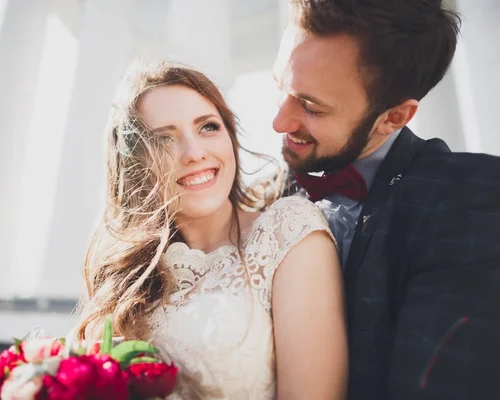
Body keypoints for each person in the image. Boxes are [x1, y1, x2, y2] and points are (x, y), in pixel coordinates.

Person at [73, 61, 347, 399]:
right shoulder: (124, 277)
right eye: (164, 139)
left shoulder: (288, 232)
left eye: (207, 127)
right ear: (135, 164)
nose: (194, 153)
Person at [273, 1, 500, 399]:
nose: (279, 121)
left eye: (311, 106)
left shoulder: (472, 197)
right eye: (281, 88)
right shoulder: (259, 197)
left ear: (394, 117)